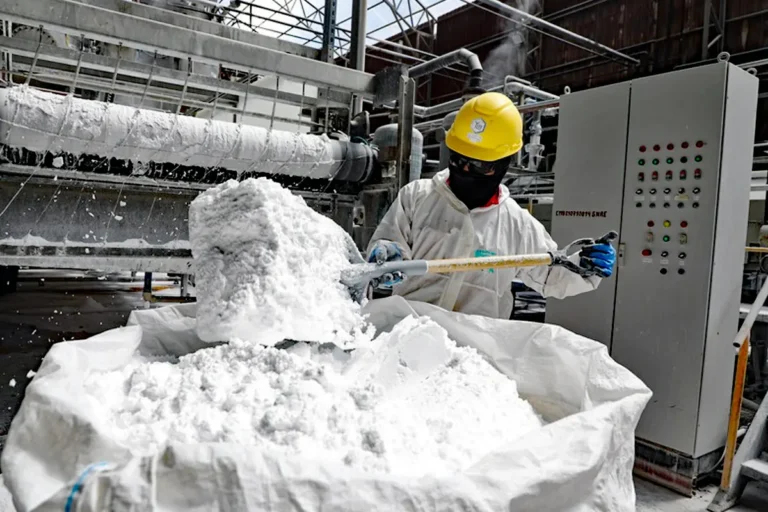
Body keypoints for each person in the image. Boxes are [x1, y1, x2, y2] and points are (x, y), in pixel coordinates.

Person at [366, 92, 615, 319]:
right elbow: (388, 250)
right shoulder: (417, 197)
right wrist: (385, 255)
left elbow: (550, 276)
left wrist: (584, 267)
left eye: (477, 165)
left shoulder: (516, 224)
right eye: (458, 159)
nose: (464, 170)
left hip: (472, 355)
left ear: (503, 164)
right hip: (408, 339)